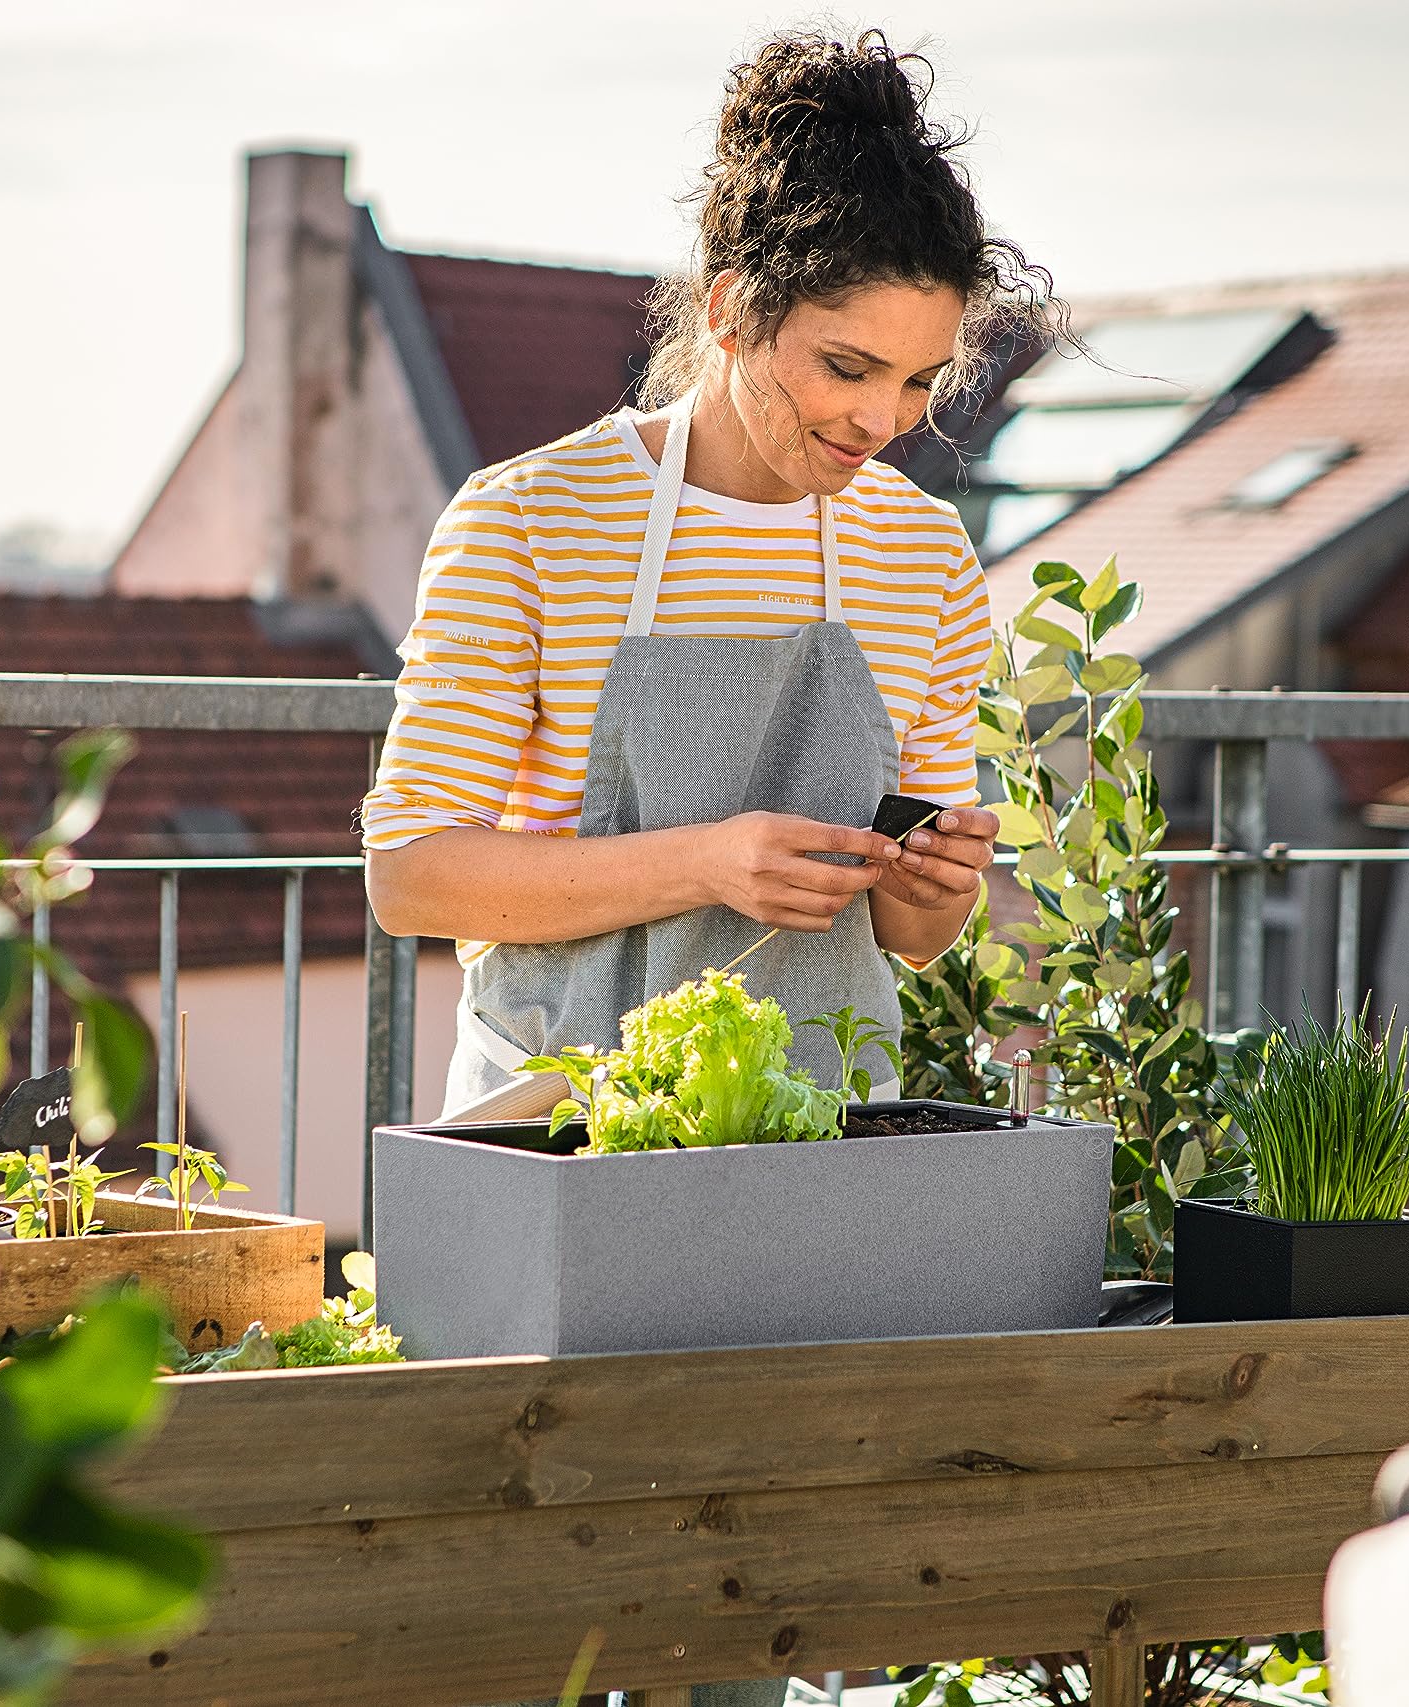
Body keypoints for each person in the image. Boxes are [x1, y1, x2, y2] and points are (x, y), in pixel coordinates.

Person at [363, 31, 1055, 1692]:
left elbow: (914, 945)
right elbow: (414, 877)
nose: (880, 423)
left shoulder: (921, 558)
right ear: (735, 305)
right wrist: (711, 861)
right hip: (558, 1147)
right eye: (842, 368)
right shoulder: (533, 520)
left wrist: (930, 892)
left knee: (753, 1627)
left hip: (807, 1157)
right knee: (538, 1612)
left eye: (918, 382)